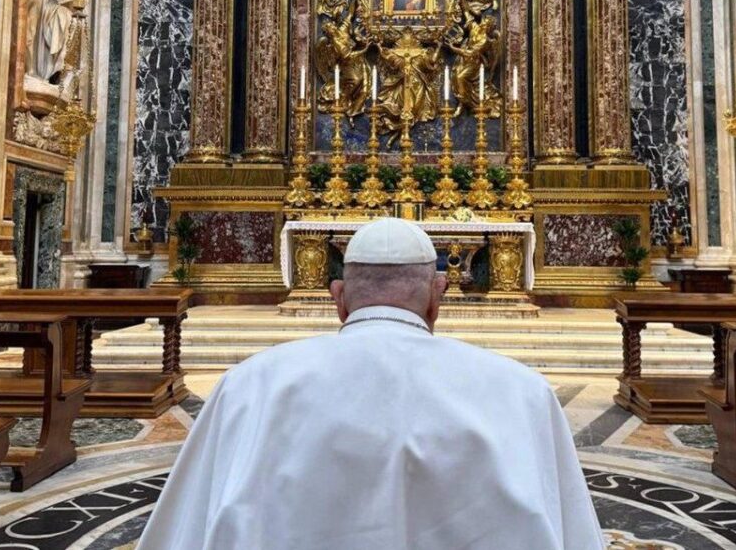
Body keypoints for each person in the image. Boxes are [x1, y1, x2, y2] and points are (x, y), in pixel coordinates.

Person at [137, 218, 605, 550]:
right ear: (436, 298)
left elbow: (184, 532)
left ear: (338, 298)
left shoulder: (248, 388)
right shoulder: (522, 393)